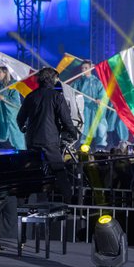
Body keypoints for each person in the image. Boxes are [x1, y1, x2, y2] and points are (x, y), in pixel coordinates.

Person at [16, 67, 78, 202]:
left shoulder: (31, 96)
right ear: (51, 79)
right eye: (56, 77)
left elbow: (20, 118)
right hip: (50, 141)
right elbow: (66, 120)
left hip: (32, 140)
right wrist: (73, 133)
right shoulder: (57, 97)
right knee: (59, 170)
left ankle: (29, 202)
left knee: (34, 171)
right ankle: (70, 201)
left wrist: (24, 128)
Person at [0, 66, 25, 149]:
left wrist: (5, 98)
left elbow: (16, 103)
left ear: (5, 73)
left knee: (5, 145)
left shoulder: (11, 86)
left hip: (5, 121)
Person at [71, 61, 108, 149]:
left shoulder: (97, 81)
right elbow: (72, 91)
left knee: (100, 127)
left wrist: (99, 99)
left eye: (86, 68)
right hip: (84, 109)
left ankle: (101, 146)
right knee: (85, 126)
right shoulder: (78, 81)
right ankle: (84, 145)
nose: (84, 70)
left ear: (91, 68)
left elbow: (103, 93)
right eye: (82, 68)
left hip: (95, 108)